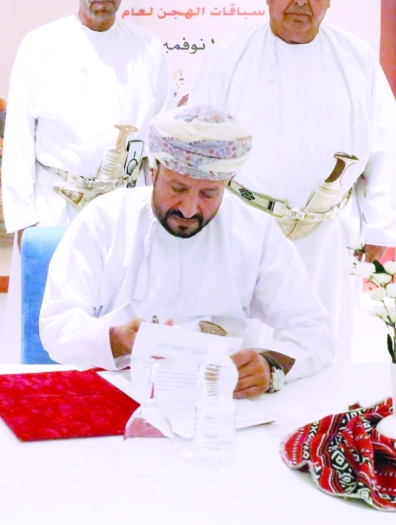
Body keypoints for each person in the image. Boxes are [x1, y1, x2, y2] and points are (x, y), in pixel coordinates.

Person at [187, 0, 396, 361]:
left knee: (321, 351)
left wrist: (380, 226)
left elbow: (385, 145)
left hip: (326, 238)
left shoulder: (354, 57)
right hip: (242, 232)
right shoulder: (230, 55)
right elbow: (198, 147)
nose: (301, 0)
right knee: (240, 355)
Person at [40, 106, 334, 397]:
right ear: (154, 172)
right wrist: (117, 340)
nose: (189, 209)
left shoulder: (255, 232)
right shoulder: (105, 219)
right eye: (178, 188)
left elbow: (314, 330)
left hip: (221, 405)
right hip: (117, 395)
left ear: (227, 185)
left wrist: (271, 367)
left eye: (208, 193)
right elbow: (57, 326)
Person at [0, 0, 173, 362]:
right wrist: (24, 221)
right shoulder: (40, 45)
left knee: (120, 325)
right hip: (55, 209)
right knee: (50, 327)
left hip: (125, 211)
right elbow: (18, 134)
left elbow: (160, 146)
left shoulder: (149, 51)